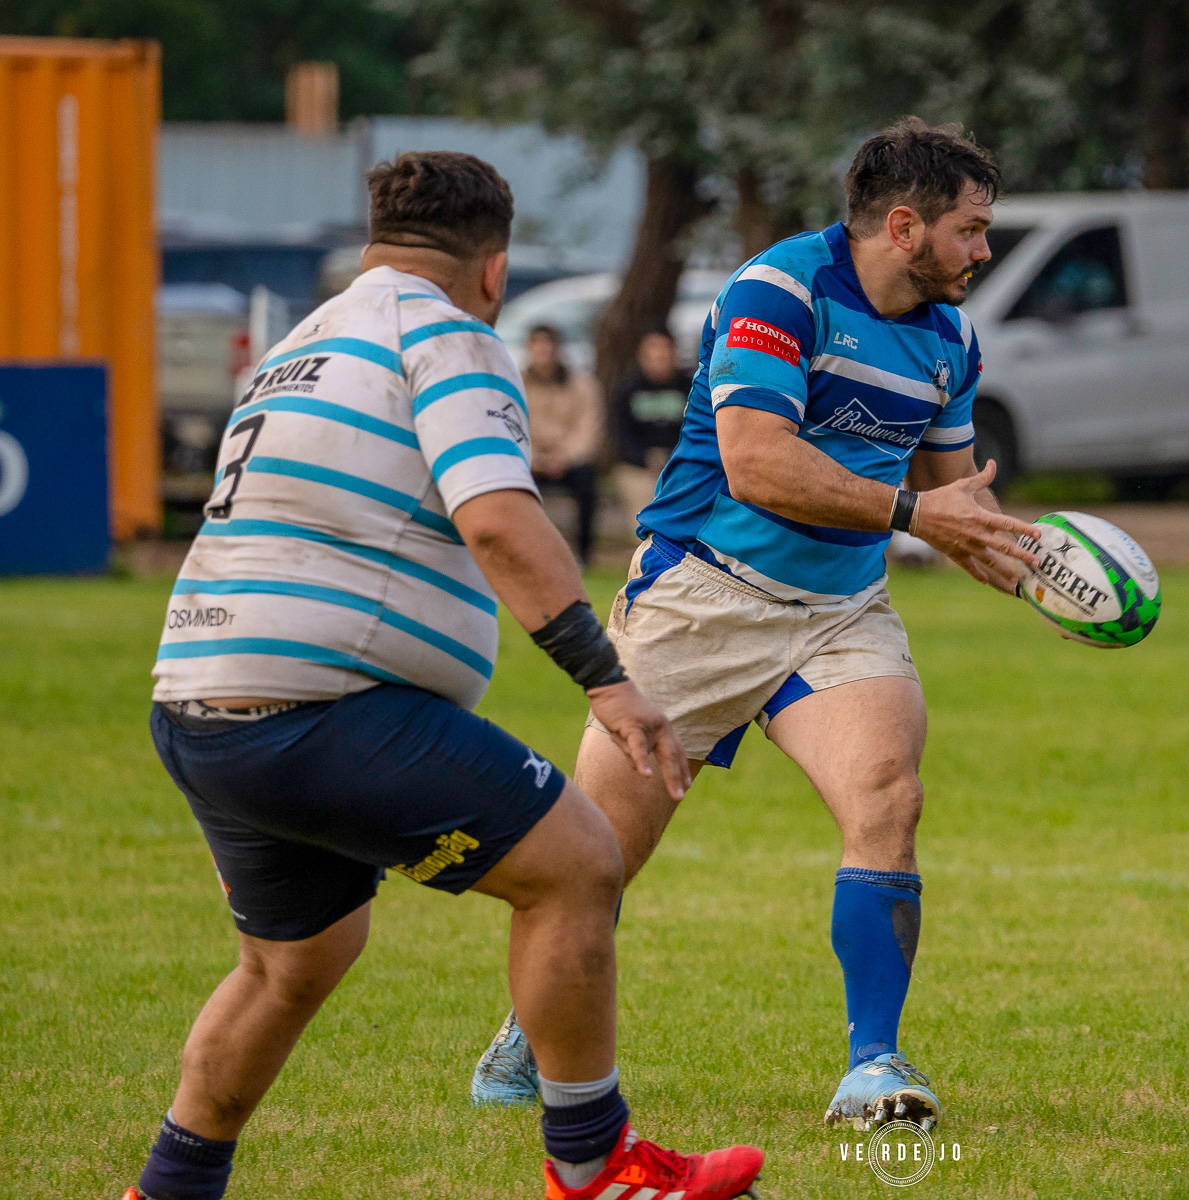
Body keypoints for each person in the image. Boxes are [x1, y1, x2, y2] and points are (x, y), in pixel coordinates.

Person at [131, 151, 762, 1200]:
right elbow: (501, 520)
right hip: (316, 707)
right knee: (579, 865)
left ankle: (169, 1188)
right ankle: (595, 1167)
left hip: (201, 703)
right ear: (494, 270)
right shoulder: (448, 334)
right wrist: (606, 681)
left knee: (292, 963)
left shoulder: (300, 343)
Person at [469, 118, 1042, 1132]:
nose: (984, 252)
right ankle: (528, 1033)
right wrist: (915, 515)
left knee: (887, 798)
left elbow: (961, 503)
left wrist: (1050, 570)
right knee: (592, 862)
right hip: (701, 598)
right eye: (972, 229)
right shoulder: (780, 292)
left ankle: (875, 1067)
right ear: (904, 226)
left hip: (837, 612)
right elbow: (758, 463)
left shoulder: (951, 337)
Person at [523, 324, 604, 563]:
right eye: (538, 348)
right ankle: (526, 549)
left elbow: (589, 428)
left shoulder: (582, 384)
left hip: (569, 461)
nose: (543, 354)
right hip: (530, 459)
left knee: (587, 482)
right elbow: (511, 425)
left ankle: (584, 553)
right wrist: (535, 459)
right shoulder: (517, 383)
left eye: (548, 347)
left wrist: (564, 458)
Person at [609, 328, 689, 528]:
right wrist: (646, 460)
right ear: (641, 355)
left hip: (680, 462)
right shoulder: (627, 389)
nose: (659, 355)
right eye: (653, 349)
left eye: (664, 348)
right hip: (637, 466)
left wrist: (672, 459)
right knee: (645, 505)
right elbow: (621, 436)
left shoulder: (691, 388)